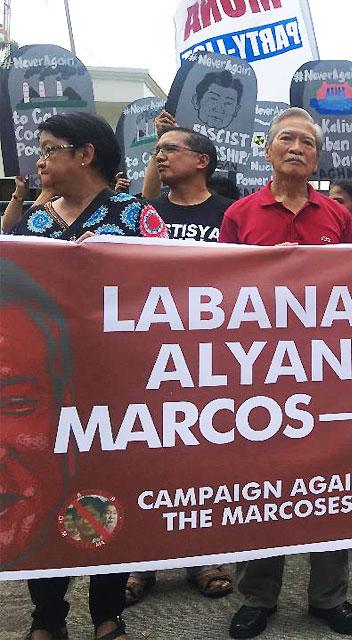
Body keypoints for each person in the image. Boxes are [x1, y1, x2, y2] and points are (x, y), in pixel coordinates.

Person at [2, 111, 166, 640]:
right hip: (48, 390)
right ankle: (47, 617)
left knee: (107, 493)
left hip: (116, 388)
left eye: (49, 148)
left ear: (84, 155)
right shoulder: (34, 222)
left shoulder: (134, 216)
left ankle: (107, 614)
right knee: (48, 497)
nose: (40, 160)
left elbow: (171, 291)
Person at [217, 107, 352, 640]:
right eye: (286, 139)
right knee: (262, 484)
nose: (296, 147)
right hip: (261, 372)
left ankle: (330, 597)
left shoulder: (337, 216)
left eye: (307, 141)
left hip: (326, 371)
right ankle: (257, 597)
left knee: (331, 482)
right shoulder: (240, 214)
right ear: (268, 149)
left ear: (318, 156)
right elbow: (218, 292)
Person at [123, 124, 234, 605]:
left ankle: (205, 556)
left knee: (206, 460)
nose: (159, 157)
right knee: (148, 459)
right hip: (153, 355)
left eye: (169, 150)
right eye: (156, 152)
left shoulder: (230, 215)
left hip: (215, 357)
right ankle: (143, 561)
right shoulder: (144, 215)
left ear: (202, 160)